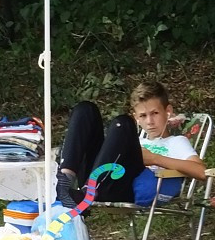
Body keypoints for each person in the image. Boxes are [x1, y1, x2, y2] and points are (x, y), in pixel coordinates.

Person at [56, 80, 206, 207]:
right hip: (105, 179)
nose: (150, 121)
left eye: (155, 113)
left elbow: (201, 171)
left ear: (168, 111)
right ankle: (64, 183)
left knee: (123, 123)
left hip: (126, 189)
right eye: (143, 116)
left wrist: (154, 158)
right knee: (85, 109)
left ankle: (89, 191)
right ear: (137, 119)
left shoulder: (176, 142)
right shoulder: (136, 141)